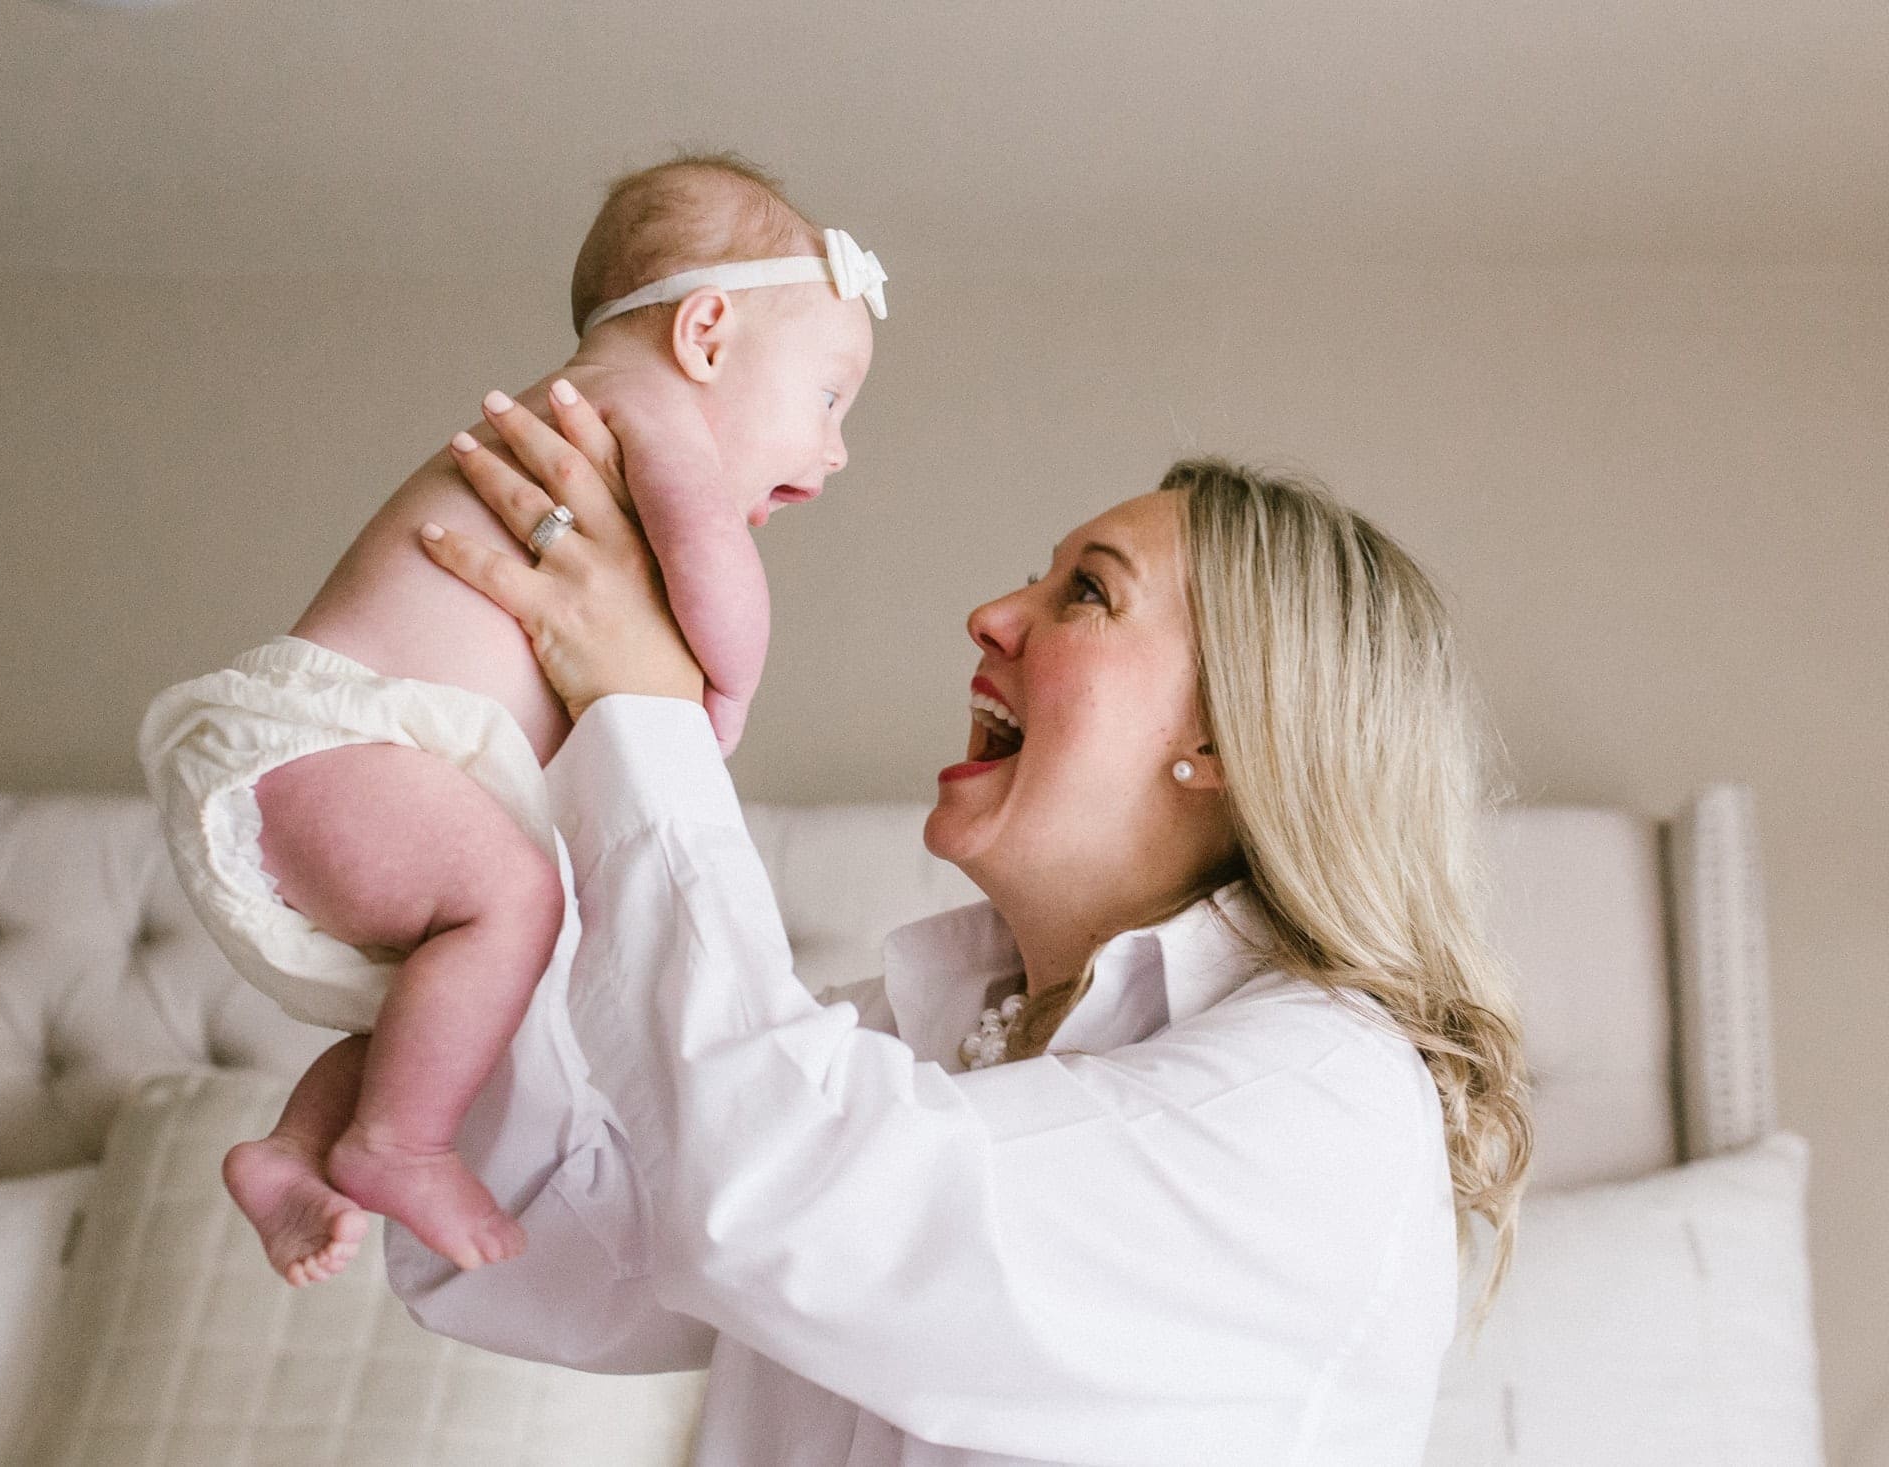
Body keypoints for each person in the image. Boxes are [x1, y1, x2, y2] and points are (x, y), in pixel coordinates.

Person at [381, 392, 1535, 1466]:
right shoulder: (929, 1038)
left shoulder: (1313, 1101)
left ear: (1226, 741)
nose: (988, 617)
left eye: (1087, 592)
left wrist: (640, 717)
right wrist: (470, 835)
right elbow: (527, 1239)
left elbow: (769, 1197)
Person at [136, 152, 884, 1285]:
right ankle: (397, 1145)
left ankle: (299, 1153)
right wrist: (714, 702)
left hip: (350, 769)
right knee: (515, 903)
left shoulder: (593, 414)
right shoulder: (635, 403)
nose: (835, 446)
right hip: (340, 748)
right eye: (827, 397)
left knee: (461, 993)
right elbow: (716, 579)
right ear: (707, 334)